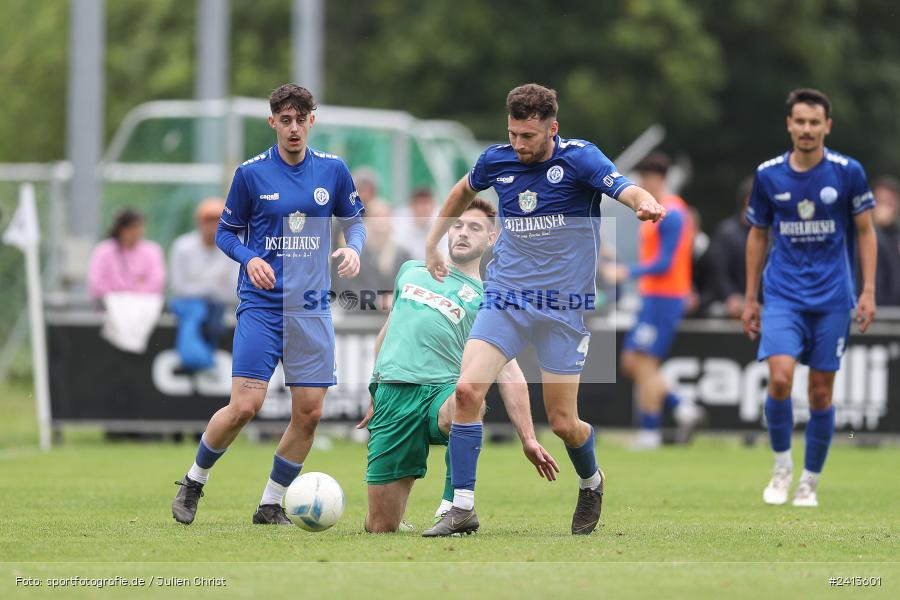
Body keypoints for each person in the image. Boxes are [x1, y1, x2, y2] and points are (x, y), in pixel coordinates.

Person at [422, 83, 665, 536]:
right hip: (506, 298)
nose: (518, 144)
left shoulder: (580, 158)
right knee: (467, 393)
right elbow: (461, 189)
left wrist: (643, 202)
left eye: (528, 136)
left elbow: (624, 187)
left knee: (562, 423)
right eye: (513, 134)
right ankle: (462, 507)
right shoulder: (497, 159)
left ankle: (591, 482)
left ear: (552, 128)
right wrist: (431, 240)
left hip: (563, 310)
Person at [171, 83, 366, 525]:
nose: (293, 128)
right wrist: (250, 256)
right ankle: (194, 481)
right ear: (272, 122)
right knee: (245, 406)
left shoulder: (333, 170)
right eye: (285, 120)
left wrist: (354, 247)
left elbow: (355, 221)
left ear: (312, 120)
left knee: (310, 414)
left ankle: (271, 503)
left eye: (301, 120)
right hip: (262, 307)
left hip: (311, 308)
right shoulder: (251, 173)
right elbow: (225, 233)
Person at [359, 199, 559, 533]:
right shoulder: (411, 270)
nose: (463, 233)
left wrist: (528, 438)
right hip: (393, 394)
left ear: (492, 238)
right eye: (457, 225)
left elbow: (509, 371)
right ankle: (397, 516)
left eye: (475, 227)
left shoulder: (489, 299)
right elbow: (388, 332)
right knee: (381, 526)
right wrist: (373, 390)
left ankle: (456, 504)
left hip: (441, 393)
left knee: (469, 400)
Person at [743, 88, 876, 508]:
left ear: (826, 126)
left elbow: (866, 231)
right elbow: (757, 234)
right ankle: (782, 468)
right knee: (780, 378)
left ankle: (809, 482)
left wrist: (868, 290)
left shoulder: (847, 171)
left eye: (814, 122)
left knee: (821, 392)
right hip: (782, 294)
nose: (806, 129)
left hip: (833, 297)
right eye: (799, 121)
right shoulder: (768, 175)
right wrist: (751, 298)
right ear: (789, 124)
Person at [604, 152, 703, 450]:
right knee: (632, 361)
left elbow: (664, 263)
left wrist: (626, 272)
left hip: (666, 297)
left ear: (659, 179)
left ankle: (651, 432)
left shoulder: (672, 213)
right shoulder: (654, 211)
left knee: (643, 363)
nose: (644, 184)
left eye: (647, 178)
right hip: (653, 296)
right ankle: (684, 407)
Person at [168, 198, 238, 370]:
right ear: (199, 222)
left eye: (217, 220)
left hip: (221, 307)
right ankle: (198, 358)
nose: (213, 226)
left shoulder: (235, 247)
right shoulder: (182, 246)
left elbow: (235, 291)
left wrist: (204, 289)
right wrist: (212, 287)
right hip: (189, 305)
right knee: (194, 311)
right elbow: (179, 288)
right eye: (208, 220)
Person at [334, 201, 411, 312]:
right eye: (376, 216)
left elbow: (408, 286)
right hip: (358, 318)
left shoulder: (402, 255)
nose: (380, 221)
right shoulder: (354, 254)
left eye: (385, 216)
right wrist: (377, 300)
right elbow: (345, 289)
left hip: (392, 317)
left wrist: (394, 299)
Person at [88, 208, 166, 303]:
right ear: (121, 229)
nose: (138, 231)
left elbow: (156, 283)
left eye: (141, 227)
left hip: (143, 306)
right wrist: (120, 296)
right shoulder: (104, 251)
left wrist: (134, 295)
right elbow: (97, 284)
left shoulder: (152, 251)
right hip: (108, 306)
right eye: (133, 227)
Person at [709, 177, 754, 318]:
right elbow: (719, 270)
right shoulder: (726, 232)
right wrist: (731, 296)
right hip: (730, 305)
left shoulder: (772, 233)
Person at [871, 176, 900, 306]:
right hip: (872, 310)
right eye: (880, 202)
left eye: (889, 203)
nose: (884, 209)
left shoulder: (896, 236)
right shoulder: (861, 237)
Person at [393, 187, 439, 259]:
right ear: (411, 206)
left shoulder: (442, 224)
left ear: (433, 206)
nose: (423, 209)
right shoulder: (401, 224)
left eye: (426, 203)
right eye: (420, 204)